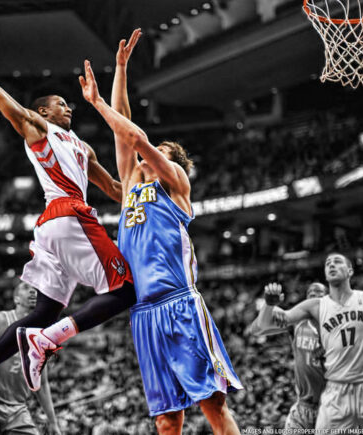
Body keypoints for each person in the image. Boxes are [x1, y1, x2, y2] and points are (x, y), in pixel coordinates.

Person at [0, 20, 138, 427]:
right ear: (44, 110)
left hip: (51, 229)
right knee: (125, 290)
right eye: (62, 103)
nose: (70, 107)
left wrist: (152, 188)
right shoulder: (37, 126)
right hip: (68, 213)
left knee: (44, 311)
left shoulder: (83, 148)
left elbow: (117, 190)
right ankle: (46, 341)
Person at [77, 33, 243, 434]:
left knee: (212, 405)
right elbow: (124, 128)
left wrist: (96, 104)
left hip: (179, 302)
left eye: (159, 149)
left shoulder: (175, 182)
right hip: (143, 313)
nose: (144, 155)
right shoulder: (131, 187)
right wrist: (120, 69)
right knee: (167, 422)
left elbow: (134, 136)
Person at [255, 253, 363, 430]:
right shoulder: (315, 306)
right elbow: (265, 324)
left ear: (350, 271)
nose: (332, 265)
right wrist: (268, 304)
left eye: (337, 262)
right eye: (328, 263)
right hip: (335, 391)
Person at [0, 281, 61, 435]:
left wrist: (53, 422)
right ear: (16, 299)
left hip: (18, 409)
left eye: (36, 289)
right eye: (26, 287)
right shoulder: (2, 320)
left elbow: (41, 383)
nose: (33, 291)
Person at [249, 282, 328, 430]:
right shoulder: (298, 322)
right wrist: (269, 305)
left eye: (319, 297)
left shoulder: (339, 326)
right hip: (303, 408)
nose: (315, 300)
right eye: (311, 296)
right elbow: (257, 329)